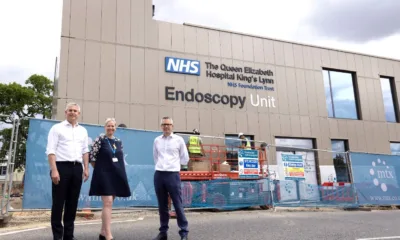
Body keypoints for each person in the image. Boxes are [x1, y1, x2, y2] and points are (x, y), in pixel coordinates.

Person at [46, 102, 90, 240]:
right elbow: (51, 150)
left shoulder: (83, 130)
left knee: (72, 204)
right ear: (65, 112)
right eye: (70, 110)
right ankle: (57, 236)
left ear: (79, 114)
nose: (72, 112)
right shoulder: (56, 128)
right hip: (61, 168)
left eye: (75, 111)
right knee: (58, 203)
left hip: (77, 168)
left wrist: (86, 168)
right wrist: (54, 170)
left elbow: (85, 151)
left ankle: (69, 236)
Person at [89, 118, 131, 240]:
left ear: (115, 128)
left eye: (113, 126)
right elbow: (92, 157)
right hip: (103, 175)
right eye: (108, 126)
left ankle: (102, 232)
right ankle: (108, 235)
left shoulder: (118, 141)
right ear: (105, 127)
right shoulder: (100, 140)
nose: (111, 128)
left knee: (109, 203)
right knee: (107, 202)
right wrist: (101, 170)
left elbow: (119, 158)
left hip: (116, 175)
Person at [152, 117, 190, 240]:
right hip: (159, 174)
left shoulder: (179, 140)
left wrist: (174, 166)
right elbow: (155, 157)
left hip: (173, 175)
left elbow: (185, 158)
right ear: (161, 126)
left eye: (168, 124)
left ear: (172, 126)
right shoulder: (157, 140)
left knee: (178, 204)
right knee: (162, 205)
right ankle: (163, 232)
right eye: (164, 124)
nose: (166, 126)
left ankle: (184, 233)